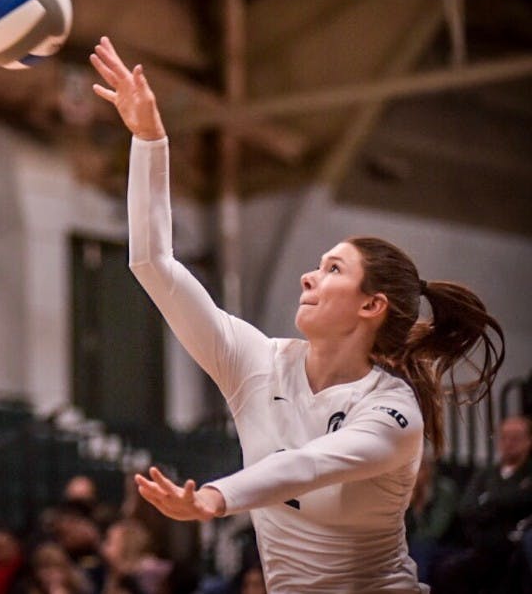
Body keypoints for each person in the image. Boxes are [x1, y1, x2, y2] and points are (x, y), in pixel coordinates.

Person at [88, 36, 505, 592]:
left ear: (371, 305)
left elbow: (306, 466)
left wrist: (215, 496)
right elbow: (153, 264)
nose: (309, 276)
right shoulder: (255, 363)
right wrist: (149, 139)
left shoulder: (395, 412)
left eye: (333, 269)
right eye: (316, 265)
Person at [432, 414, 532, 593]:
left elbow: (522, 500)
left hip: (514, 544)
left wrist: (489, 501)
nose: (509, 443)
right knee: (447, 570)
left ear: (528, 441)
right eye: (504, 437)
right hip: (483, 543)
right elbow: (466, 507)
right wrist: (499, 505)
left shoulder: (528, 472)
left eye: (516, 438)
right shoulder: (486, 473)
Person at [405, 446, 460, 583]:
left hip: (444, 544)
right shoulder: (405, 491)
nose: (416, 473)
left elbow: (435, 531)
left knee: (420, 548)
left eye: (421, 467)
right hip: (414, 543)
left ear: (430, 469)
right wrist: (410, 503)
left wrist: (420, 504)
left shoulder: (445, 490)